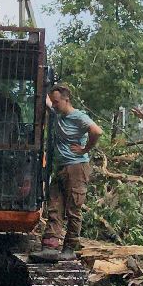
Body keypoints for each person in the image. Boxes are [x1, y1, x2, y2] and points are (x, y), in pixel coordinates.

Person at [32, 84, 102, 262]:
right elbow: (48, 102)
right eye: (53, 102)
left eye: (57, 102)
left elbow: (97, 131)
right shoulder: (58, 113)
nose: (54, 105)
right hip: (61, 167)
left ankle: (69, 248)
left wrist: (85, 149)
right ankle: (50, 247)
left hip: (77, 167)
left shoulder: (78, 116)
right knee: (54, 206)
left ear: (66, 100)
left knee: (73, 209)